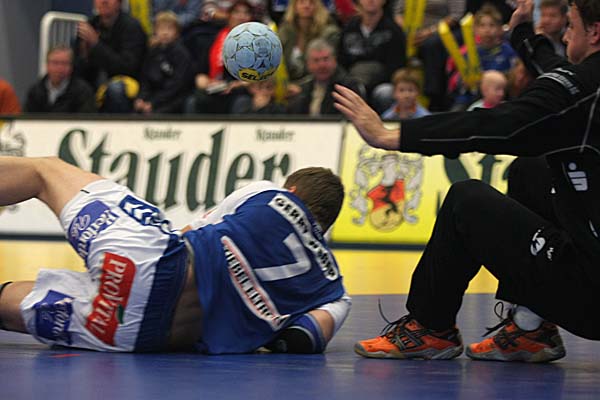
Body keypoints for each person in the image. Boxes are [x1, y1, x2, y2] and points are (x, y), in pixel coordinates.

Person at [332, 0, 600, 362]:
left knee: (466, 200)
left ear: (595, 32)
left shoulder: (580, 95)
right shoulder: (586, 89)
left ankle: (431, 328)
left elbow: (495, 125)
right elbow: (562, 74)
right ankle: (530, 328)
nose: (565, 35)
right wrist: (522, 35)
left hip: (591, 297)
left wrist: (392, 135)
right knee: (530, 170)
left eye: (571, 26)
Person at [0, 160, 350, 354]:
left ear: (292, 191)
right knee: (5, 305)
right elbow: (303, 339)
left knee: (44, 172)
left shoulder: (270, 194)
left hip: (146, 261)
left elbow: (188, 233)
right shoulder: (334, 290)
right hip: (135, 333)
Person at [74, 0, 147, 113]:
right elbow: (77, 68)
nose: (104, 1)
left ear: (119, 3)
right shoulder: (90, 25)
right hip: (94, 80)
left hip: (127, 82)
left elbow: (127, 67)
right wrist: (84, 55)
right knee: (75, 86)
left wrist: (96, 44)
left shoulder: (132, 27)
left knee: (115, 88)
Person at [185, 0, 254, 114]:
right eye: (237, 12)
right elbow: (201, 72)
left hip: (239, 90)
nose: (241, 17)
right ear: (229, 16)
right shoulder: (213, 39)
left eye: (246, 13)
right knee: (193, 101)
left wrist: (236, 85)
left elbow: (259, 75)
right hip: (215, 87)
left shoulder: (257, 43)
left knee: (241, 102)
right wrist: (205, 81)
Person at [446, 4, 517, 110]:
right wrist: (463, 80)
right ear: (475, 29)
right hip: (468, 98)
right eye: (482, 25)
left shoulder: (508, 51)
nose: (487, 30)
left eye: (492, 25)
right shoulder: (469, 52)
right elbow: (457, 80)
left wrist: (488, 78)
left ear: (500, 29)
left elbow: (513, 78)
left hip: (498, 99)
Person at [338, 0, 406, 102]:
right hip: (352, 81)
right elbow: (341, 61)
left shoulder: (394, 31)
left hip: (381, 85)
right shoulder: (349, 29)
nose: (370, 0)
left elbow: (396, 67)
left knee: (386, 93)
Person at [133, 11, 194, 114]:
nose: (165, 33)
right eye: (161, 29)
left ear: (177, 32)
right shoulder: (152, 52)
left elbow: (177, 85)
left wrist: (153, 103)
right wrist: (141, 98)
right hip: (153, 97)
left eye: (169, 29)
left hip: (174, 99)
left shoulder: (182, 54)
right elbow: (145, 79)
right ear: (155, 31)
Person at [287, 38, 364, 116]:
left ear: (335, 60)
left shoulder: (348, 86)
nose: (322, 65)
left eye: (326, 59)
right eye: (316, 60)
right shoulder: (303, 89)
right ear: (308, 64)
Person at [277, 0, 341, 83]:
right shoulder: (285, 31)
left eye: (311, 2)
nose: (306, 6)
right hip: (287, 84)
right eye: (302, 2)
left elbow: (327, 67)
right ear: (294, 7)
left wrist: (301, 86)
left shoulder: (329, 33)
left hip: (317, 83)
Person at [25, 46, 96, 113]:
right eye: (55, 63)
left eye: (64, 63)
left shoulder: (83, 91)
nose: (60, 68)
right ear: (47, 65)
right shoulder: (35, 91)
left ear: (71, 67)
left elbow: (86, 119)